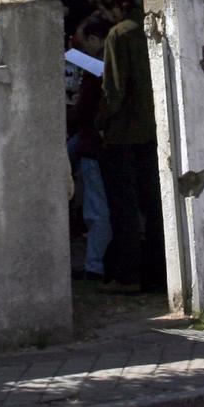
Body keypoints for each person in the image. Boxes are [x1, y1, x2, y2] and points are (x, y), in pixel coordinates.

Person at [90, 0, 164, 295]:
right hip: (150, 131)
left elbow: (114, 89)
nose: (105, 17)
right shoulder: (151, 27)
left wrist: (100, 122)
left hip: (122, 135)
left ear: (115, 6)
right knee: (153, 206)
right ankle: (159, 273)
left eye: (105, 10)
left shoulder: (118, 34)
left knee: (124, 208)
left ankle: (129, 275)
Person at [67, 15, 113, 284]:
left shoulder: (97, 71)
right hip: (101, 144)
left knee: (97, 209)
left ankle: (95, 266)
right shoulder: (108, 66)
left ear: (95, 40)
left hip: (93, 145)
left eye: (85, 43)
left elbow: (84, 110)